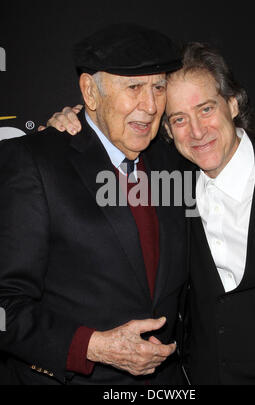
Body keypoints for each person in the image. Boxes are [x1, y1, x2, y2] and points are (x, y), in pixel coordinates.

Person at [50, 42, 255, 385]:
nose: (196, 131)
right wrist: (75, 122)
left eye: (206, 109)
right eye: (179, 119)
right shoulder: (170, 183)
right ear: (166, 129)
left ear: (232, 103)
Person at [0, 23, 188, 385]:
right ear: (90, 91)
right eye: (133, 87)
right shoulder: (34, 163)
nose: (150, 106)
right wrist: (92, 346)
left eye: (159, 87)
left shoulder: (173, 158)